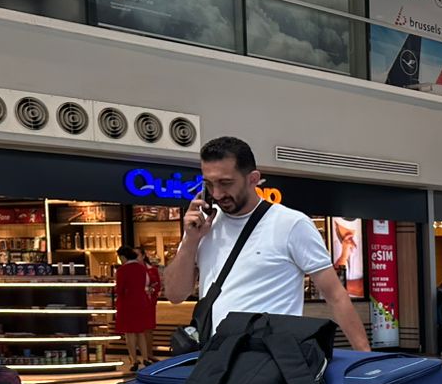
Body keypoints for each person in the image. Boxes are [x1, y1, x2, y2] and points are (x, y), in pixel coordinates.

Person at [163, 135, 369, 351]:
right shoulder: (202, 225)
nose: (217, 193)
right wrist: (190, 241)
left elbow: (335, 295)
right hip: (215, 357)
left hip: (269, 358)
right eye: (209, 184)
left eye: (225, 183)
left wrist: (366, 356)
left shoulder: (291, 224)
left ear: (253, 179)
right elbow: (175, 295)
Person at [113, 246, 156, 371]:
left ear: (123, 257)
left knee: (130, 333)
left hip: (127, 303)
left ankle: (134, 360)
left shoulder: (122, 270)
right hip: (142, 302)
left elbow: (119, 289)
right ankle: (145, 357)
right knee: (141, 332)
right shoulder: (142, 268)